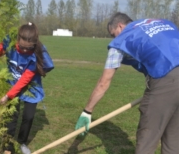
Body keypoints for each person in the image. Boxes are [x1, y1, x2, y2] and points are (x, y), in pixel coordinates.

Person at [75, 12, 179, 154]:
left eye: (113, 34)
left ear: (120, 26)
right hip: (171, 80)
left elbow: (103, 83)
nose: (114, 38)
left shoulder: (121, 40)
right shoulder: (161, 22)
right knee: (174, 140)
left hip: (165, 80)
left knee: (147, 139)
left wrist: (87, 111)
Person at [0, 22, 54, 154]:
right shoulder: (9, 43)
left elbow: (25, 79)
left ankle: (21, 142)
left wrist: (7, 96)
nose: (24, 51)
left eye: (27, 48)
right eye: (22, 47)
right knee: (11, 117)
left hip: (31, 87)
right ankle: (8, 148)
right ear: (17, 39)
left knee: (28, 117)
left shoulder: (36, 53)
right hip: (12, 83)